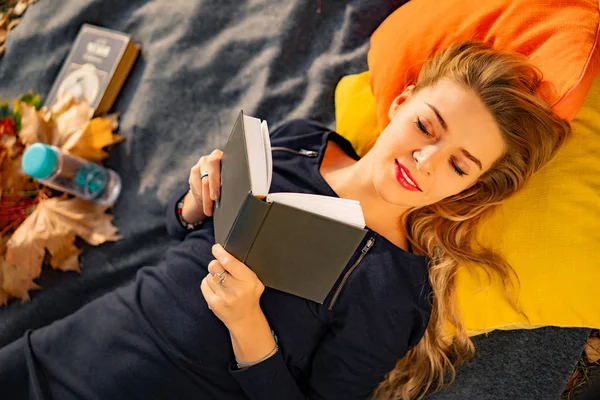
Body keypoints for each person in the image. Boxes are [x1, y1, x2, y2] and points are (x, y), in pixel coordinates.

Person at [0, 41, 570, 400]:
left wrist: (247, 324)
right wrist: (195, 202)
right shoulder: (302, 141)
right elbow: (187, 236)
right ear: (401, 103)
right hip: (74, 342)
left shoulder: (395, 291)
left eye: (458, 164)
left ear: (469, 188)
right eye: (427, 126)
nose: (425, 160)